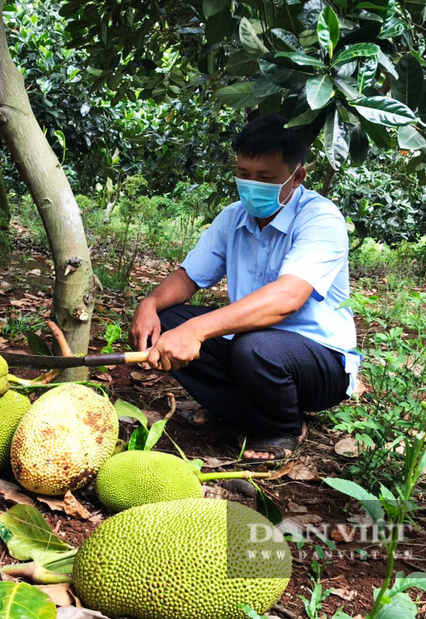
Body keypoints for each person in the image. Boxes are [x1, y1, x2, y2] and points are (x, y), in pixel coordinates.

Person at [128, 114, 359, 461]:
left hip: (320, 360)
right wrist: (149, 304)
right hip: (251, 349)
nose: (251, 185)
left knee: (254, 347)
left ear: (297, 177)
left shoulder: (320, 218)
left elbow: (288, 298)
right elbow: (190, 276)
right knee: (171, 319)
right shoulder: (233, 218)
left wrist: (198, 330)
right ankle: (237, 410)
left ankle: (282, 427)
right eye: (244, 174)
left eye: (265, 178)